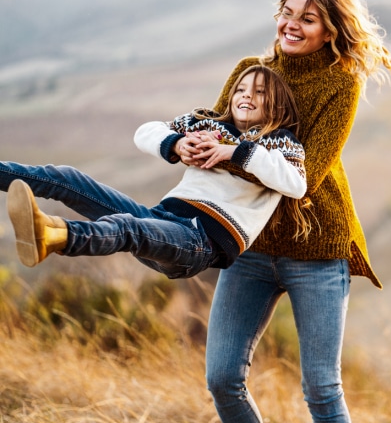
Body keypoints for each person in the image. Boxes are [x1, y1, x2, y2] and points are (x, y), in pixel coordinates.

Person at [176, 0, 391, 423]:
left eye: (308, 18)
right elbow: (220, 128)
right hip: (250, 245)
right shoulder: (251, 69)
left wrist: (230, 152)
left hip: (318, 251)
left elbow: (306, 174)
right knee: (223, 379)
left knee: (321, 389)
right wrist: (186, 143)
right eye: (287, 13)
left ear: (331, 30)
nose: (292, 25)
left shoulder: (340, 85)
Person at [2, 65, 307, 279]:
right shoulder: (209, 123)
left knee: (126, 227)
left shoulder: (277, 142)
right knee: (68, 178)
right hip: (160, 218)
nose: (246, 96)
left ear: (277, 105)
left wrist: (234, 152)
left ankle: (53, 234)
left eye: (260, 92)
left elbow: (295, 184)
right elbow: (145, 132)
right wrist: (176, 144)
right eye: (240, 89)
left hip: (198, 241)